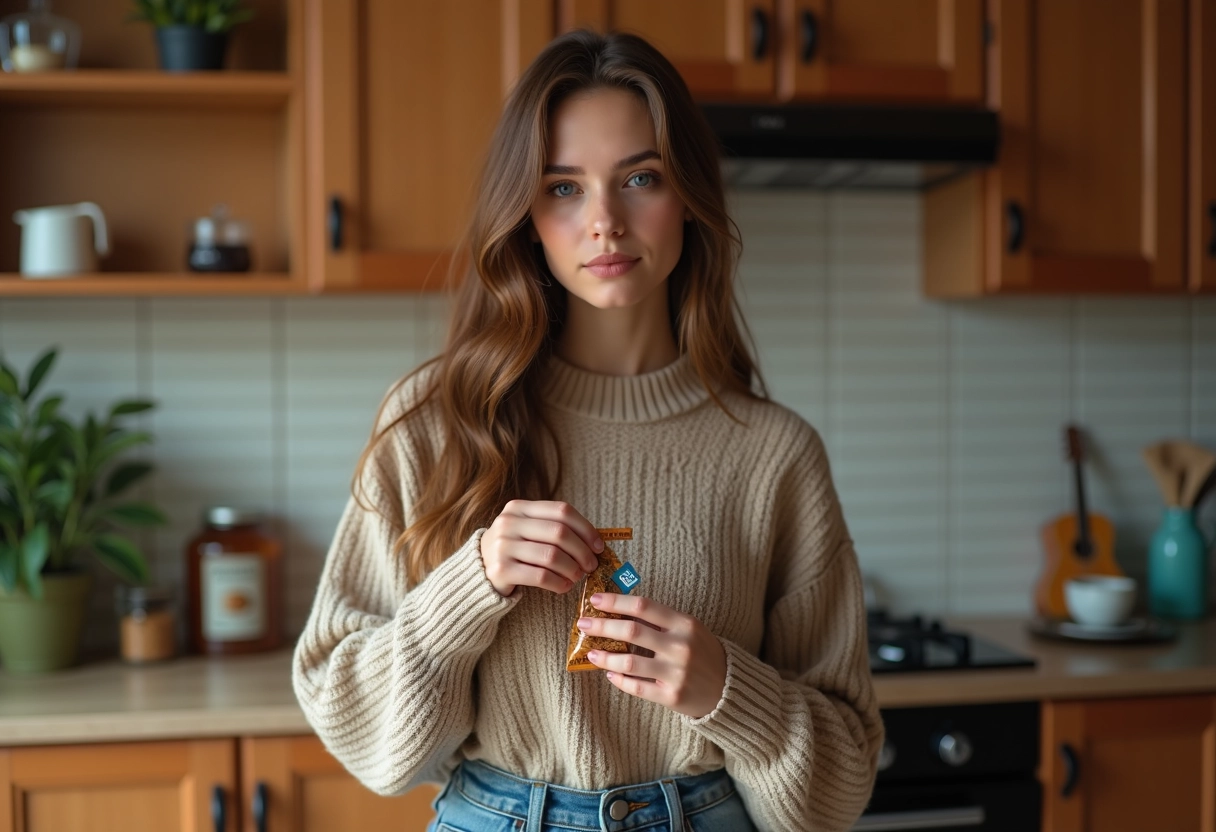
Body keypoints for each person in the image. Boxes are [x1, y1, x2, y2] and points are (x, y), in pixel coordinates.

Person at [293, 28, 883, 832]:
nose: (604, 221)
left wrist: (726, 691)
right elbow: (355, 729)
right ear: (525, 214)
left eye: (640, 177)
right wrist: (469, 586)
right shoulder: (435, 422)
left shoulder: (775, 456)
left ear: (691, 199)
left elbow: (838, 790)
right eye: (563, 187)